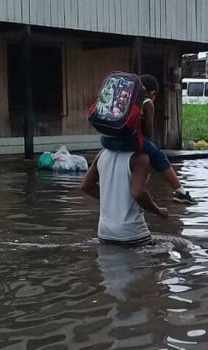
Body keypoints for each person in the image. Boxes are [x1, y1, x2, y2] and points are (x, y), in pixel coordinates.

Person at [101, 74, 196, 204]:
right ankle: (181, 191)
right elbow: (149, 131)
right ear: (152, 92)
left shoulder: (122, 97)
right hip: (126, 141)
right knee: (159, 155)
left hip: (106, 140)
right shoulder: (147, 102)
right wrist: (150, 149)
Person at [82, 148, 167, 247]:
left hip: (105, 233)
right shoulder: (140, 157)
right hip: (132, 233)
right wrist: (158, 211)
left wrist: (113, 199)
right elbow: (138, 193)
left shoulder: (102, 154)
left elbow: (86, 186)